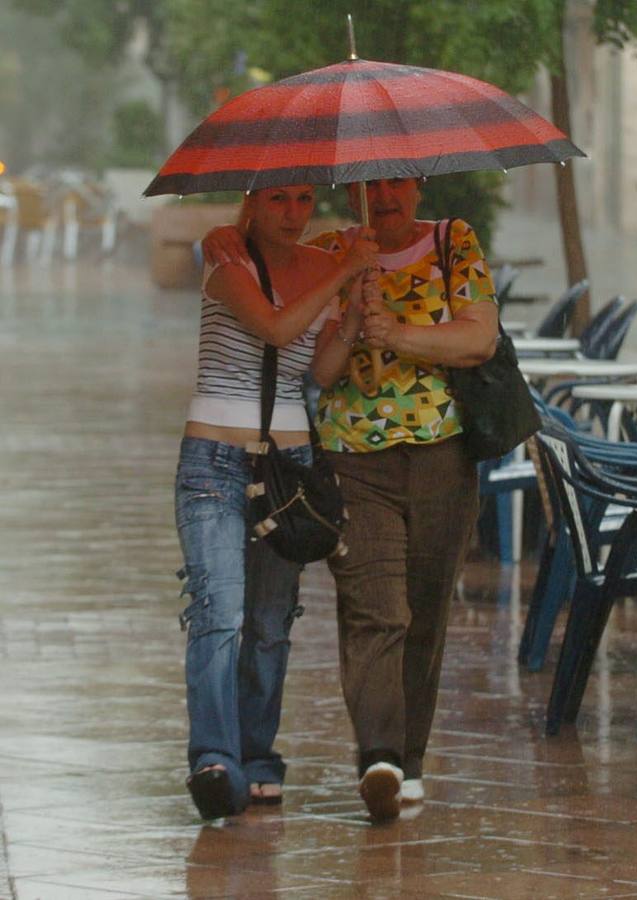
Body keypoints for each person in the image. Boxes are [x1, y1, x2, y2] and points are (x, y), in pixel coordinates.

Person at [204, 177, 499, 823]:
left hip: (443, 457)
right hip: (352, 460)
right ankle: (380, 759)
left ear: (418, 185)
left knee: (423, 614)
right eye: (373, 181)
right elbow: (319, 370)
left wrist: (393, 333)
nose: (385, 194)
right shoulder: (335, 250)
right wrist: (347, 306)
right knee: (376, 609)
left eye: (397, 180)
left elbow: (478, 340)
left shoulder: (455, 243)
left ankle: (410, 762)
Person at [178, 185, 377, 819]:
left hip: (288, 467)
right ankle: (214, 759)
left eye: (303, 200)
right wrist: (346, 269)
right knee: (219, 609)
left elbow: (316, 373)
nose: (293, 213)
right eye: (278, 200)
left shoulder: (325, 267)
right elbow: (272, 325)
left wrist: (350, 320)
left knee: (269, 622)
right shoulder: (226, 256)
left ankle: (257, 755)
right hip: (213, 459)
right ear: (253, 203)